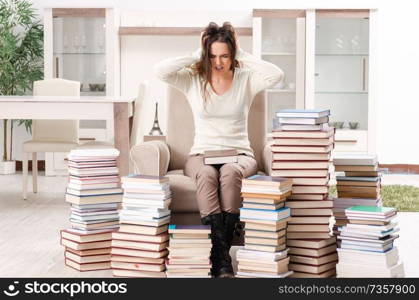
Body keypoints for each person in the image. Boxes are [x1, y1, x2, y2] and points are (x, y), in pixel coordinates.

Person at [154, 22, 284, 278]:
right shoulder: (193, 79)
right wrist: (196, 54)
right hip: (201, 154)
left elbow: (277, 75)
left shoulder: (246, 79)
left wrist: (242, 53)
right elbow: (160, 72)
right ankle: (222, 254)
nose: (218, 62)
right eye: (212, 56)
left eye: (225, 55)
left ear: (233, 55)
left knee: (229, 173)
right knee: (206, 175)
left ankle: (218, 255)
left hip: (240, 155)